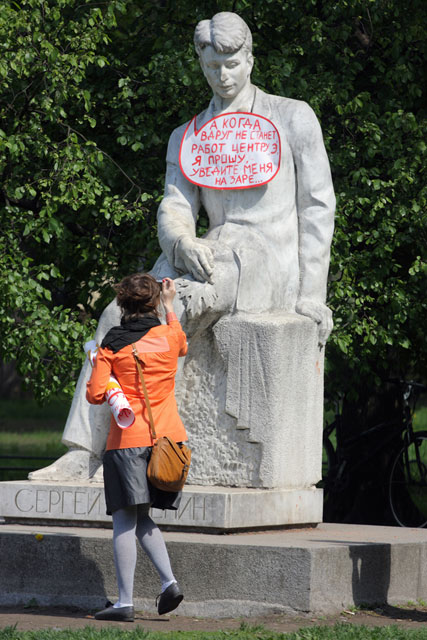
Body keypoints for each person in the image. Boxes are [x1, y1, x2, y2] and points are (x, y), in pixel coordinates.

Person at [29, 11, 335, 481]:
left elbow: (317, 207)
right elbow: (174, 205)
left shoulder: (292, 117)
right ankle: (84, 451)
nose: (223, 76)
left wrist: (312, 295)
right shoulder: (189, 136)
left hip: (264, 262)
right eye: (212, 66)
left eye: (232, 64)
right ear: (201, 64)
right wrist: (181, 241)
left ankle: (141, 443)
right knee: (114, 314)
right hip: (207, 251)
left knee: (179, 306)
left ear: (251, 59)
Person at [86, 273, 187, 621]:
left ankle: (125, 603)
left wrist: (98, 366)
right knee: (142, 515)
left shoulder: (112, 344)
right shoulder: (170, 336)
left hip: (127, 442)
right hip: (168, 442)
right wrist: (170, 306)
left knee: (124, 520)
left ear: (122, 304)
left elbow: (95, 394)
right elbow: (182, 344)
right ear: (155, 302)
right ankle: (169, 583)